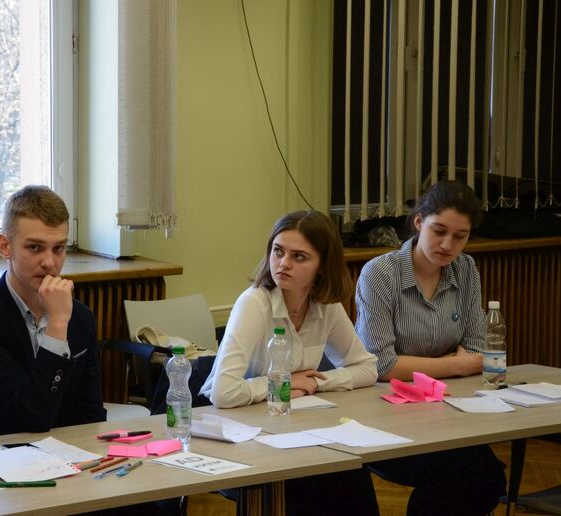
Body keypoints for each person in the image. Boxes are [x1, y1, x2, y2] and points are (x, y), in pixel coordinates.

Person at [200, 210, 380, 516]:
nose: (283, 263)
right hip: (236, 429)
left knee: (351, 473)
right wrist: (281, 384)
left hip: (290, 424)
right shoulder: (254, 303)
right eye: (278, 251)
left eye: (299, 257)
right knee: (311, 485)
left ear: (323, 267)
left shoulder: (327, 307)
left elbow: (367, 368)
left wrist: (314, 383)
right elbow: (223, 393)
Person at [355, 180, 506, 515]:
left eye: (460, 236)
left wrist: (451, 364)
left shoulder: (465, 269)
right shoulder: (379, 274)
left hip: (449, 411)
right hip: (388, 416)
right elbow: (381, 366)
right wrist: (456, 365)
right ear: (419, 222)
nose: (448, 244)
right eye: (439, 231)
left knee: (488, 479)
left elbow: (477, 348)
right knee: (455, 476)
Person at [0, 185, 106, 440]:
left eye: (58, 248)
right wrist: (56, 326)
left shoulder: (80, 317)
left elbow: (91, 414)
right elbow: (30, 416)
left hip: (68, 461)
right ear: (5, 246)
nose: (50, 263)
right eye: (35, 248)